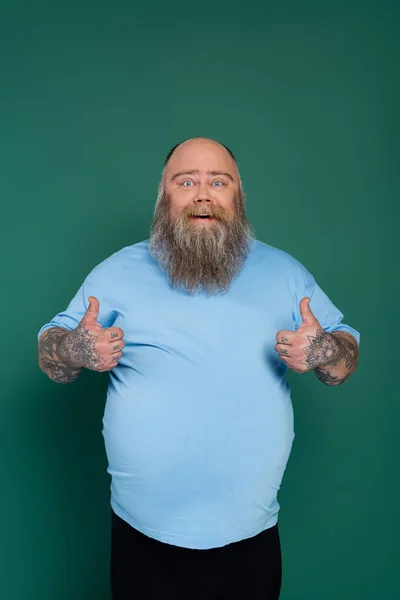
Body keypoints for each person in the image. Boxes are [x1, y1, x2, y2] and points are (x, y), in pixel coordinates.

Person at [38, 137, 360, 600]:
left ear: (238, 197)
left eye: (218, 181)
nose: (202, 194)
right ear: (164, 196)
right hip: (140, 533)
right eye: (185, 181)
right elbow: (52, 356)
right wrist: (73, 349)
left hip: (250, 534)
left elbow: (343, 360)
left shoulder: (286, 275)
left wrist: (325, 350)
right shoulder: (114, 273)